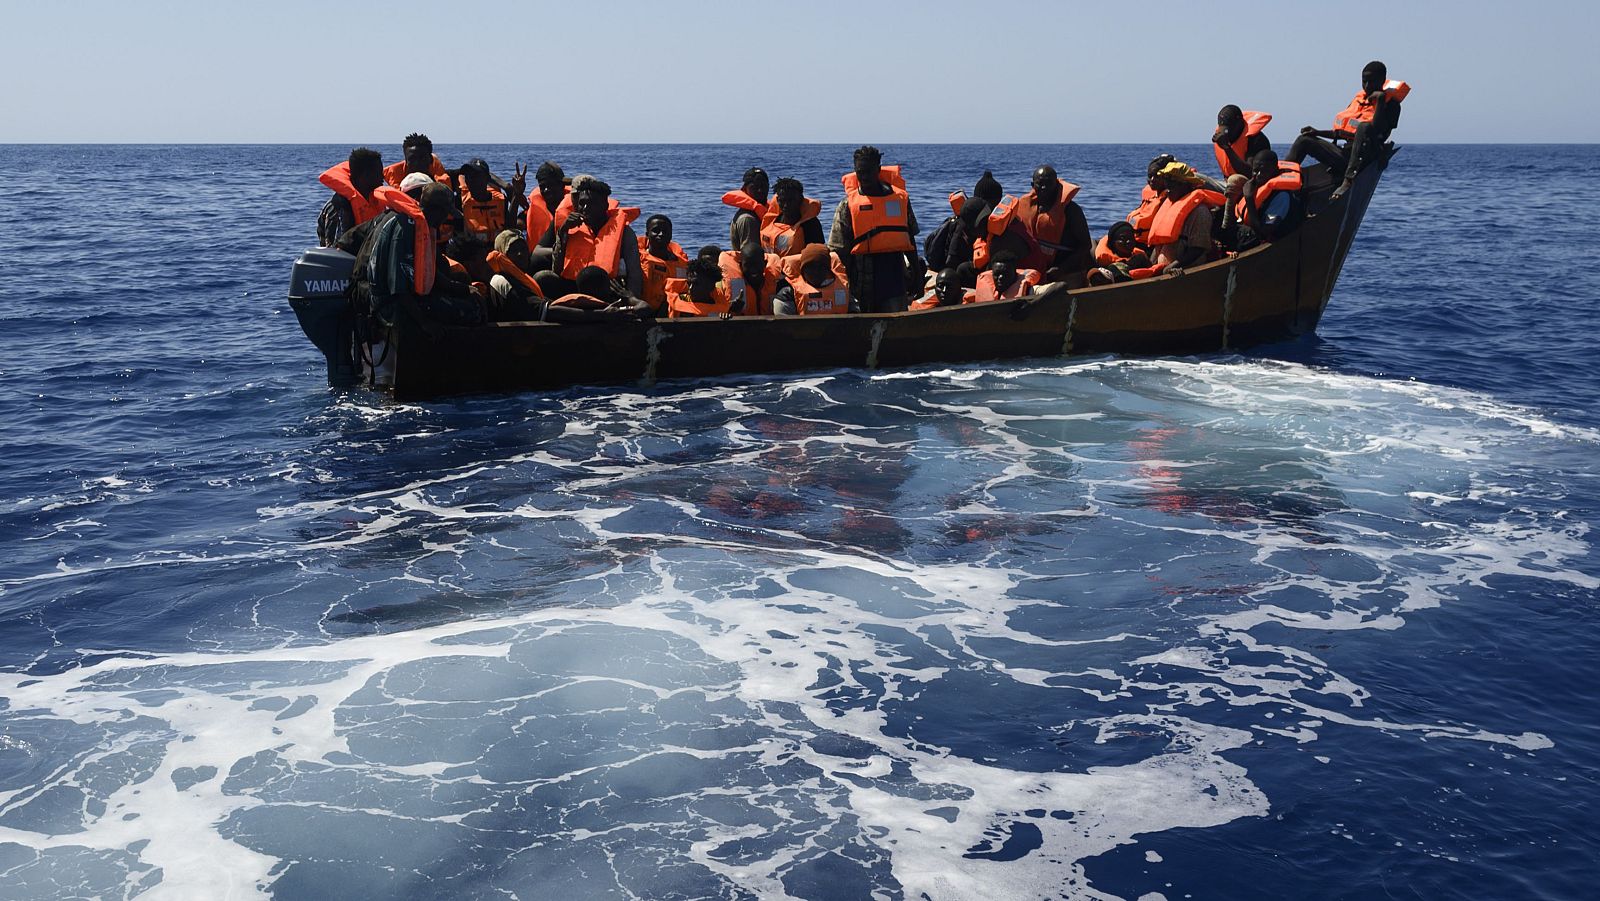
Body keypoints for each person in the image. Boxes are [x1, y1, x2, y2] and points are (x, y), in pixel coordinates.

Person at [350, 181, 483, 329]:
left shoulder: (419, 226)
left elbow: (430, 274)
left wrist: (465, 289)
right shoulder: (404, 230)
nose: (446, 219)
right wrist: (424, 323)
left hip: (406, 298)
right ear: (436, 211)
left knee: (469, 298)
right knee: (471, 311)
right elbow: (398, 289)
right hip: (388, 306)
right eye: (445, 213)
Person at [1287, 61, 1410, 199]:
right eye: (1364, 82)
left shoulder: (1392, 106)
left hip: (1366, 158)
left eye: (1372, 82)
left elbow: (1375, 130)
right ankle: (1283, 179)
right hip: (1346, 155)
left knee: (1364, 127)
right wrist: (1317, 132)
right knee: (1304, 140)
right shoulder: (1359, 100)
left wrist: (1380, 101)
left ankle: (1348, 180)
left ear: (1381, 81)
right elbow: (1344, 132)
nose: (1367, 86)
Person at [828, 146, 925, 313]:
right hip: (859, 283)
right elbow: (838, 252)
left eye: (868, 171)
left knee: (896, 330)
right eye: (860, 171)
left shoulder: (900, 200)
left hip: (894, 281)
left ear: (878, 170)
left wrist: (917, 275)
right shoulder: (847, 206)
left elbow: (909, 239)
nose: (864, 177)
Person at [536, 175, 644, 300]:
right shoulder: (569, 228)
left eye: (591, 203)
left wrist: (632, 299)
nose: (585, 208)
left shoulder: (625, 232)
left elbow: (634, 272)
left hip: (607, 290)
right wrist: (563, 232)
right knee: (542, 278)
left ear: (605, 205)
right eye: (582, 203)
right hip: (574, 287)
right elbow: (557, 269)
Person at [1014, 165, 1093, 287]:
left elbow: (1085, 245)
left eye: (1049, 183)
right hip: (1034, 271)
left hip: (1066, 272)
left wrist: (1061, 269)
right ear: (1032, 185)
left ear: (1056, 184)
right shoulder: (1024, 207)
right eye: (1040, 184)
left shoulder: (1071, 210)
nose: (1044, 188)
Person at [1146, 162, 1226, 271]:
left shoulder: (1200, 212)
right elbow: (1159, 245)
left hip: (1187, 271)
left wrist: (1172, 266)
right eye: (1167, 182)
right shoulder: (1168, 206)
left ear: (1186, 185)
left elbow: (1198, 249)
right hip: (1165, 270)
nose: (1168, 186)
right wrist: (1151, 268)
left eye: (1173, 182)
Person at [1226, 151, 1304, 248]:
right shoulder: (1256, 184)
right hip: (1253, 226)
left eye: (1264, 171)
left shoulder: (1282, 196)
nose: (1258, 175)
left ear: (1275, 171)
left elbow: (1263, 233)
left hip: (1272, 236)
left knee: (1235, 234)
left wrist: (1249, 198)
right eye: (1255, 170)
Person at [722, 167, 772, 314]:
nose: (760, 190)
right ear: (744, 189)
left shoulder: (760, 212)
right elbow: (750, 258)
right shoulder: (748, 219)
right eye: (754, 187)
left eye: (764, 186)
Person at [317, 147, 386, 246]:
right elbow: (334, 251)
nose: (383, 177)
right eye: (379, 172)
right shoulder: (338, 207)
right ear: (366, 175)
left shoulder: (375, 201)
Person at [773, 244, 853, 316]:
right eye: (810, 268)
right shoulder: (787, 295)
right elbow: (783, 326)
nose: (816, 272)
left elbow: (855, 317)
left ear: (828, 270)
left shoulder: (843, 289)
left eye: (821, 267)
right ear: (802, 271)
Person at [760, 177, 826, 261]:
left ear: (800, 200)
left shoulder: (810, 224)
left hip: (795, 272)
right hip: (770, 269)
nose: (786, 205)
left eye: (791, 201)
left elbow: (817, 255)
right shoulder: (772, 220)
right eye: (782, 200)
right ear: (777, 200)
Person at [636, 214, 689, 316]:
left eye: (665, 231)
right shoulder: (637, 259)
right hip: (641, 314)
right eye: (656, 231)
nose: (661, 234)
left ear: (671, 235)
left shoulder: (682, 265)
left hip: (671, 318)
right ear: (647, 234)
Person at [1088, 221, 1162, 285]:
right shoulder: (1106, 263)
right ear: (1112, 243)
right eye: (1122, 239)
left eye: (1131, 238)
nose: (1128, 241)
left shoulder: (1141, 258)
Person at [666, 255, 737, 319]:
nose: (690, 288)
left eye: (697, 284)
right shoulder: (673, 300)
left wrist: (725, 321)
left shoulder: (721, 308)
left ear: (710, 287)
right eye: (689, 283)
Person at [1127, 153, 1176, 245]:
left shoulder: (1169, 199)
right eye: (1150, 176)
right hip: (1135, 239)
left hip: (1148, 245)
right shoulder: (1153, 196)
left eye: (1157, 176)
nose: (1152, 180)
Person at [1212, 106, 1272, 179]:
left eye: (1228, 130)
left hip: (1249, 185)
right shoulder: (1221, 137)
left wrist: (1226, 148)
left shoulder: (1256, 140)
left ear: (1240, 124)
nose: (1227, 134)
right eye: (1224, 130)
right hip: (1227, 183)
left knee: (1234, 180)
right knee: (1195, 179)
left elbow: (1250, 173)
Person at [524, 161, 571, 253]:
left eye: (550, 185)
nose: (546, 190)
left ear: (561, 185)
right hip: (540, 262)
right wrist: (515, 196)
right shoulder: (535, 208)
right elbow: (514, 224)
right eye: (542, 186)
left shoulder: (577, 207)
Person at [382, 133, 449, 188]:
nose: (417, 163)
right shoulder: (393, 174)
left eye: (422, 158)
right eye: (412, 159)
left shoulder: (439, 176)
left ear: (430, 159)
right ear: (406, 160)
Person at [968, 256, 1041, 303]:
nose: (1001, 277)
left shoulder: (1031, 291)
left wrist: (1031, 305)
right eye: (997, 274)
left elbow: (1052, 289)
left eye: (1006, 274)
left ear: (1015, 274)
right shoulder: (979, 291)